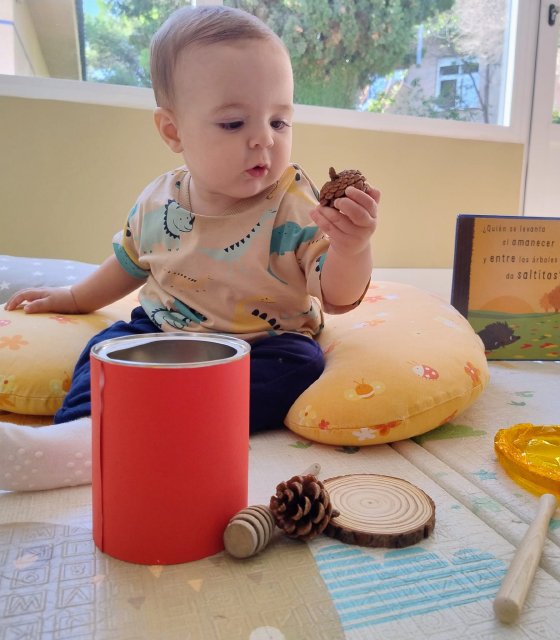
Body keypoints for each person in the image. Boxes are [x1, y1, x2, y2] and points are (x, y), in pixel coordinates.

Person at [0, 5, 379, 492]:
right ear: (173, 131)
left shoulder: (295, 205)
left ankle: (159, 434)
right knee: (103, 351)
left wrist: (352, 248)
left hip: (260, 346)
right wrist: (74, 298)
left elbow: (337, 296)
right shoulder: (159, 201)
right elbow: (129, 263)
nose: (263, 139)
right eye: (234, 123)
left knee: (300, 367)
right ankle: (73, 440)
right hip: (164, 333)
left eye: (279, 121)